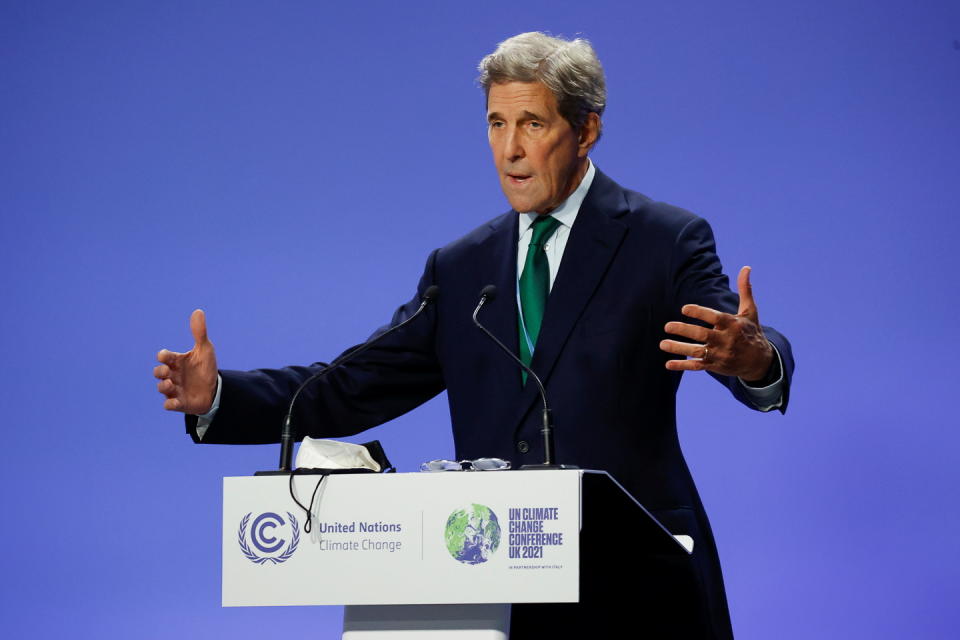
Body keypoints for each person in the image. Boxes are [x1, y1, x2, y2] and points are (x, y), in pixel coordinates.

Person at [155, 32, 793, 639]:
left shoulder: (662, 240)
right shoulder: (461, 269)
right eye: (496, 123)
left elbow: (733, 338)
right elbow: (355, 384)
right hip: (499, 591)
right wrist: (219, 397)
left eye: (533, 124)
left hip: (637, 582)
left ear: (587, 130)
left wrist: (756, 360)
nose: (510, 149)